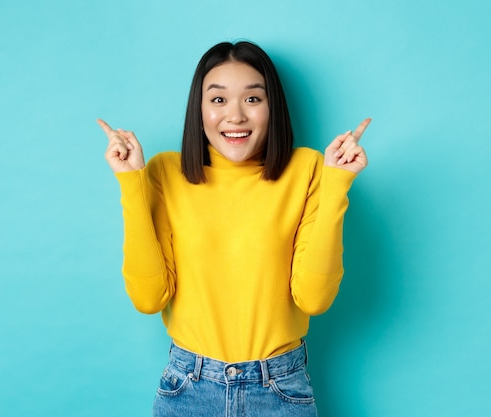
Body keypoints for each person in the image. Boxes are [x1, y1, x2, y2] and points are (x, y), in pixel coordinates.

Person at [98, 40, 370, 417]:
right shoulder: (164, 173)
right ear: (200, 108)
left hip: (279, 389)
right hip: (188, 387)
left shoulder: (307, 169)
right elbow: (149, 298)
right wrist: (132, 183)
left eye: (253, 99)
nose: (236, 116)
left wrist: (338, 182)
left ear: (272, 107)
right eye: (219, 100)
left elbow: (314, 299)